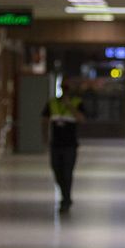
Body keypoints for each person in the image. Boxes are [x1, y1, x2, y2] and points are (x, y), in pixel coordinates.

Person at [41, 84, 86, 212]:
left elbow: (82, 119)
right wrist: (45, 138)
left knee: (67, 173)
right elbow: (44, 120)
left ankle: (66, 199)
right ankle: (65, 196)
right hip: (55, 144)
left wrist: (69, 106)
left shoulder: (77, 103)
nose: (66, 92)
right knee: (57, 171)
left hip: (70, 145)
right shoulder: (52, 103)